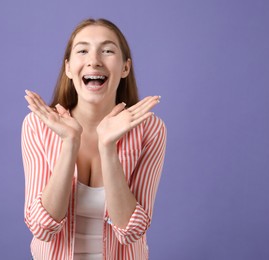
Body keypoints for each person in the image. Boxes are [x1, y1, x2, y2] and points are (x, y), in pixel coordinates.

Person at [21, 18, 166, 260]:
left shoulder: (149, 130)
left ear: (125, 68)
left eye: (107, 50)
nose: (94, 60)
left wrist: (107, 147)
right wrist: (70, 143)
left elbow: (132, 231)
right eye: (83, 50)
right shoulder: (38, 125)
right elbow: (41, 228)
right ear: (68, 68)